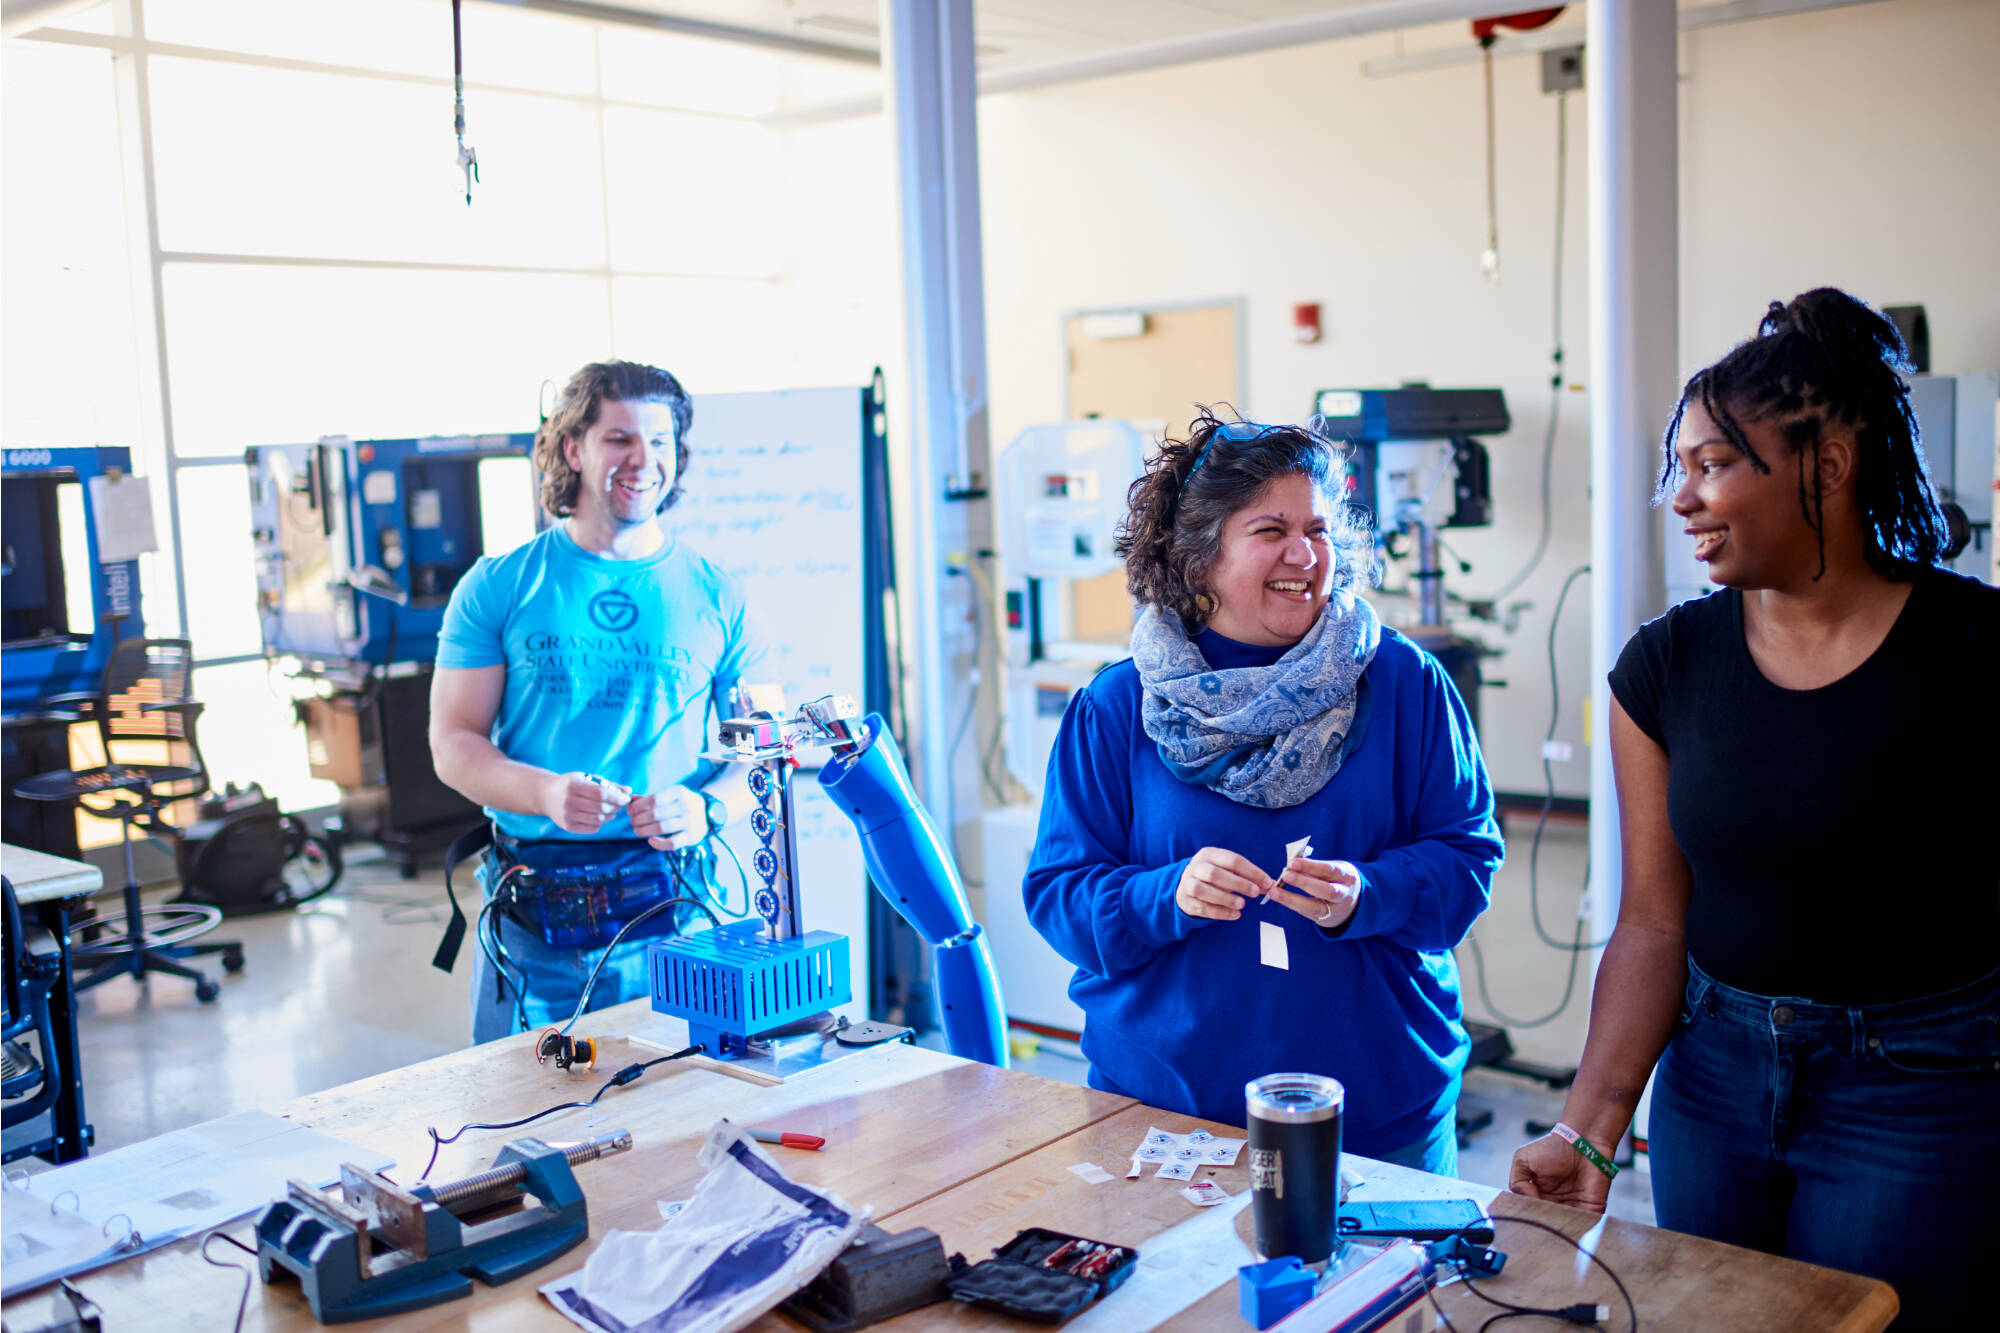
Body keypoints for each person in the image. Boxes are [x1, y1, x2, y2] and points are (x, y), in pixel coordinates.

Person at [1508, 289, 2000, 1327]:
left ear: (1825, 466)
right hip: (1711, 1081)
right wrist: (1588, 1131)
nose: (1680, 497)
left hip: (1920, 1088)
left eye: (1712, 464)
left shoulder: (1975, 651)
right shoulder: (1663, 664)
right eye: (1675, 467)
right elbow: (1650, 918)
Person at [1023, 412, 1504, 1174]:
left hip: (1379, 1118)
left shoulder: (1405, 684)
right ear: (1199, 554)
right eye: (1272, 529)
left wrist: (1368, 893)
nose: (1305, 554)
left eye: (1318, 529)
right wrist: (1164, 895)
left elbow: (1469, 863)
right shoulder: (1119, 707)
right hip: (1166, 1115)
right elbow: (1059, 895)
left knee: (1391, 1297)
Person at [430, 360, 771, 1044]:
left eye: (662, 440)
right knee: (519, 1121)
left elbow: (761, 752)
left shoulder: (718, 594)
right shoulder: (498, 585)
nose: (644, 460)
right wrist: (546, 792)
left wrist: (708, 807)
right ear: (573, 449)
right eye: (620, 438)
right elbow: (454, 742)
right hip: (532, 924)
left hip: (677, 915)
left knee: (685, 1113)